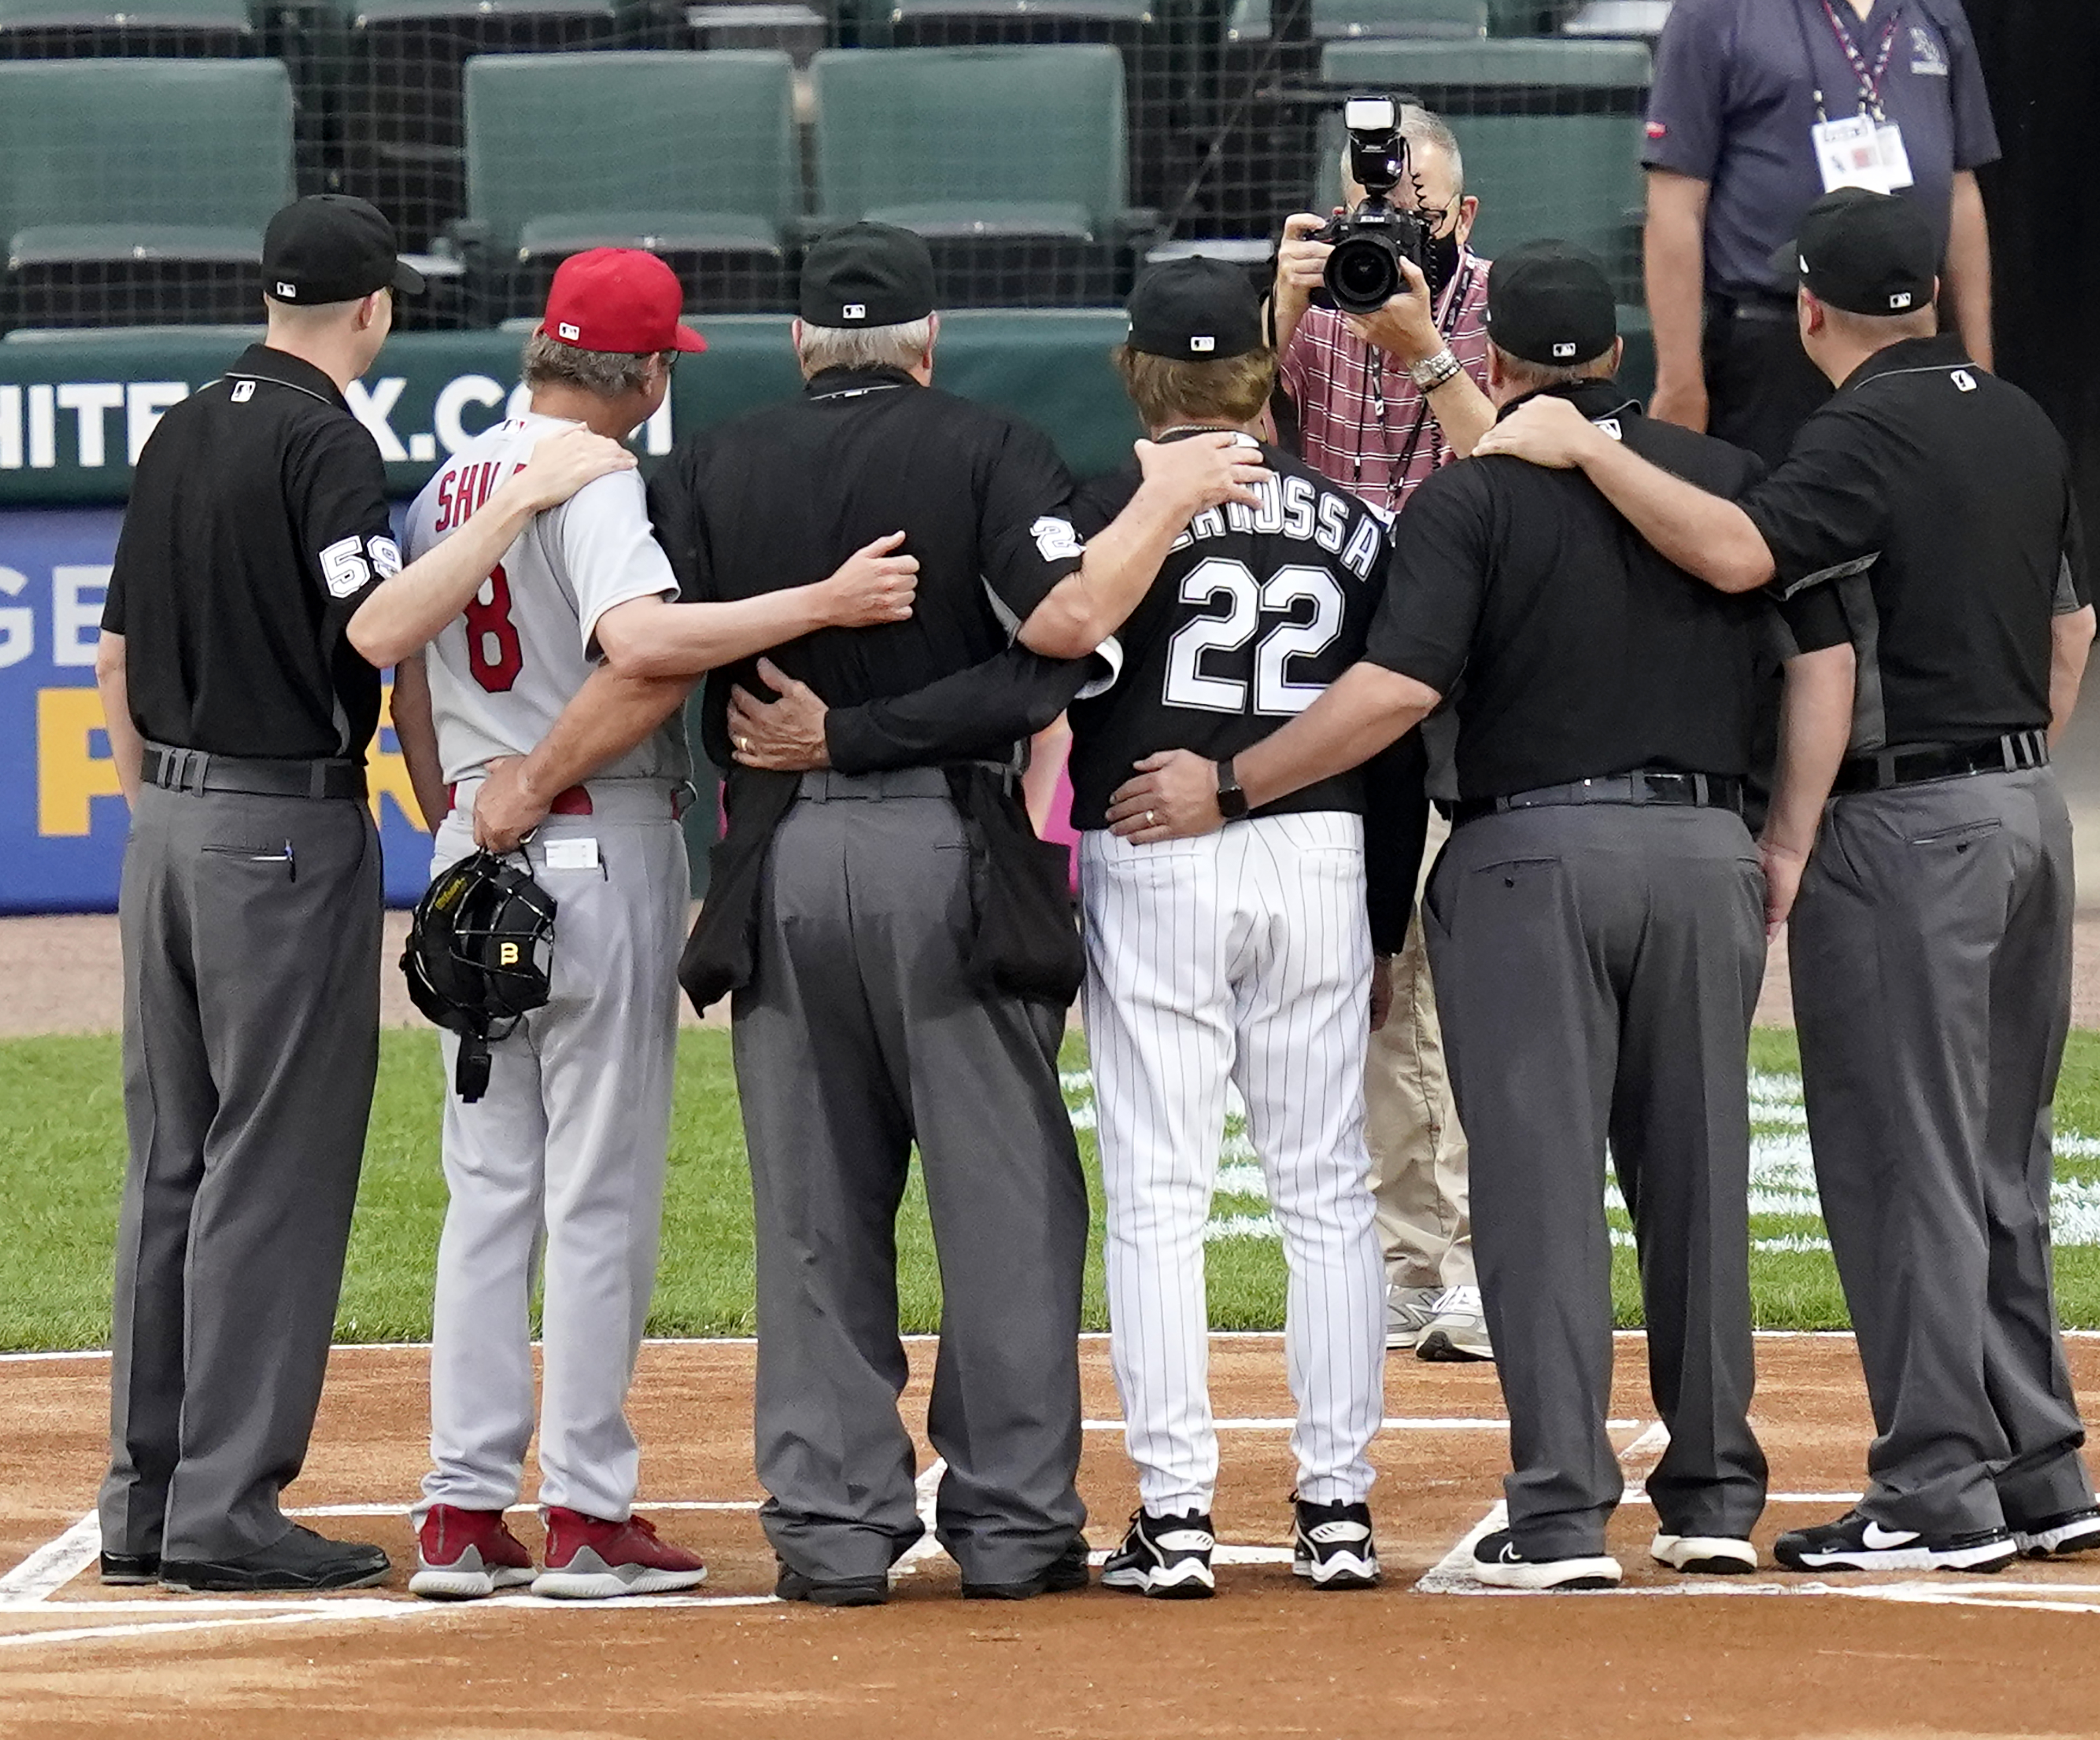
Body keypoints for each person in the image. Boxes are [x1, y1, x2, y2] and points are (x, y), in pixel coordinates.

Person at [1109, 241, 1854, 1590]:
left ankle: (1562, 1513)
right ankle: (1706, 1501)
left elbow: (1393, 699)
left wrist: (1230, 782)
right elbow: (1822, 656)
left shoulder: (1465, 506)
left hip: (1527, 860)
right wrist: (1785, 837)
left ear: (1494, 358)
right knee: (1694, 1185)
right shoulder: (1726, 481)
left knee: (1534, 1195)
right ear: (1619, 356)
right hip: (1702, 852)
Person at [633, 222, 1265, 1607]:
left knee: (812, 1214)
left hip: (776, 864)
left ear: (799, 344)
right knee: (1007, 1210)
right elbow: (1048, 655)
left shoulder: (714, 462)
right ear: (927, 345)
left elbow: (645, 644)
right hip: (949, 856)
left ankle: (832, 1529)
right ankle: (1014, 1525)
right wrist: (865, 733)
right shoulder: (991, 446)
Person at [1482, 189, 2100, 1573]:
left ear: (1808, 309)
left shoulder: (1861, 432)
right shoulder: (2016, 417)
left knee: (1902, 1164)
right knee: (2002, 1157)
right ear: (1932, 296)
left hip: (1910, 834)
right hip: (2024, 813)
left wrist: (1585, 452)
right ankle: (2038, 1467)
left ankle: (1936, 1487)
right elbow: (2070, 633)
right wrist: (2001, 774)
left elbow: (1737, 552)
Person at [91, 194, 633, 1594]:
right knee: (271, 1165)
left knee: (172, 1167)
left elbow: (114, 658)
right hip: (277, 832)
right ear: (375, 311)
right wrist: (519, 498)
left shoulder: (183, 422)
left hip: (164, 828)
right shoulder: (321, 437)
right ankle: (225, 1509)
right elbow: (383, 625)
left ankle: (145, 1503)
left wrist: (162, 809)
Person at [384, 250, 923, 1602]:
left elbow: (406, 673)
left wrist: (457, 808)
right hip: (589, 835)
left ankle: (457, 1514)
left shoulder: (455, 478)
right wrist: (818, 604)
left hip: (473, 834)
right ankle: (584, 1515)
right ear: (643, 372)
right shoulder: (600, 475)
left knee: (488, 1189)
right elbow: (641, 643)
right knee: (598, 1194)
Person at [1051, 258, 1421, 1599]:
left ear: (1134, 372)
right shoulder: (1355, 519)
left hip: (1153, 848)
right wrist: (1383, 921)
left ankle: (1178, 1514)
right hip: (1320, 849)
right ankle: (1333, 1508)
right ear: (1263, 377)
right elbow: (1394, 742)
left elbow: (1058, 679)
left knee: (1158, 1192)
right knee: (1324, 1186)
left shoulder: (1107, 513)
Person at [1270, 98, 1492, 1365]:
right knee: (1363, 980)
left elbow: (1510, 459)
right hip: (1342, 682)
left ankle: (1470, 1259)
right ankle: (1408, 1259)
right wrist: (1281, 296)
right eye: (1370, 213)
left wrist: (1416, 344)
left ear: (1456, 218)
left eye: (1410, 212)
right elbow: (1222, 409)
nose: (1386, 236)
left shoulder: (1497, 309)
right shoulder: (1315, 307)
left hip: (1464, 682)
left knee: (1453, 984)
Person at [1641, 0, 2001, 466]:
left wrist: (1979, 363)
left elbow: (1961, 190)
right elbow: (1674, 208)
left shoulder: (1935, 11)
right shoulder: (1714, 13)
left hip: (1914, 338)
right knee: (1777, 526)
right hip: (1780, 342)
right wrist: (1679, 381)